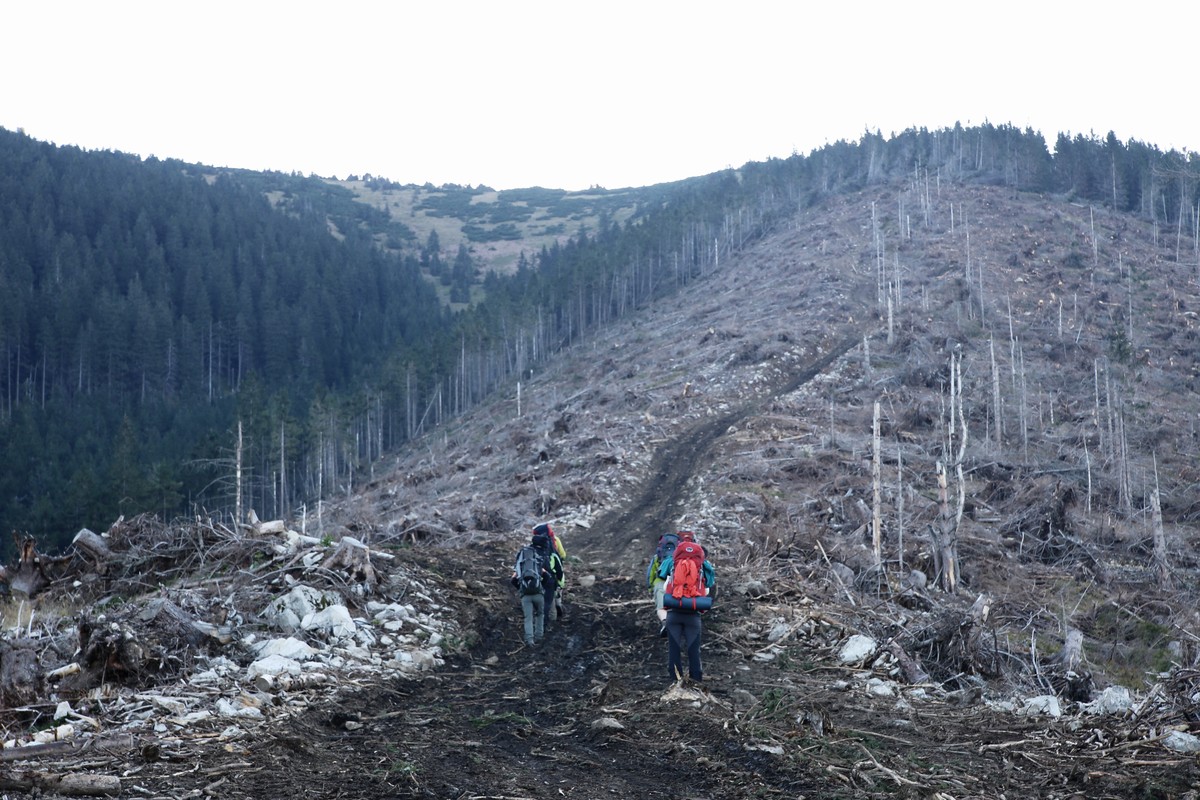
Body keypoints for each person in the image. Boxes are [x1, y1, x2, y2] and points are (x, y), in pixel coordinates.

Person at [658, 531, 716, 684]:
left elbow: (662, 577)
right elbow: (710, 585)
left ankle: (675, 682)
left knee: (674, 649)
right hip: (693, 614)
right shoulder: (702, 564)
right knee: (693, 650)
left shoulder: (672, 561)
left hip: (674, 612)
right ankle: (696, 682)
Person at [510, 541, 552, 646]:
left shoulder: (520, 567)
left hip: (525, 596)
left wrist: (521, 589)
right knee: (540, 615)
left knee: (528, 617)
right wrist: (541, 586)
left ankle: (529, 640)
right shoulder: (536, 565)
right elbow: (547, 576)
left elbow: (513, 580)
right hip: (538, 594)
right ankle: (539, 636)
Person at [646, 532, 679, 637]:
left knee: (661, 608)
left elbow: (650, 573)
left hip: (660, 582)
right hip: (676, 584)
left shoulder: (658, 557)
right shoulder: (680, 556)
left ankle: (665, 623)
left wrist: (650, 587)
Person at [530, 528, 564, 626]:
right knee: (549, 604)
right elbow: (559, 571)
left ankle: (535, 621)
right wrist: (560, 585)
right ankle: (551, 624)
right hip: (549, 582)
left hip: (533, 581)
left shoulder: (528, 553)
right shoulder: (552, 554)